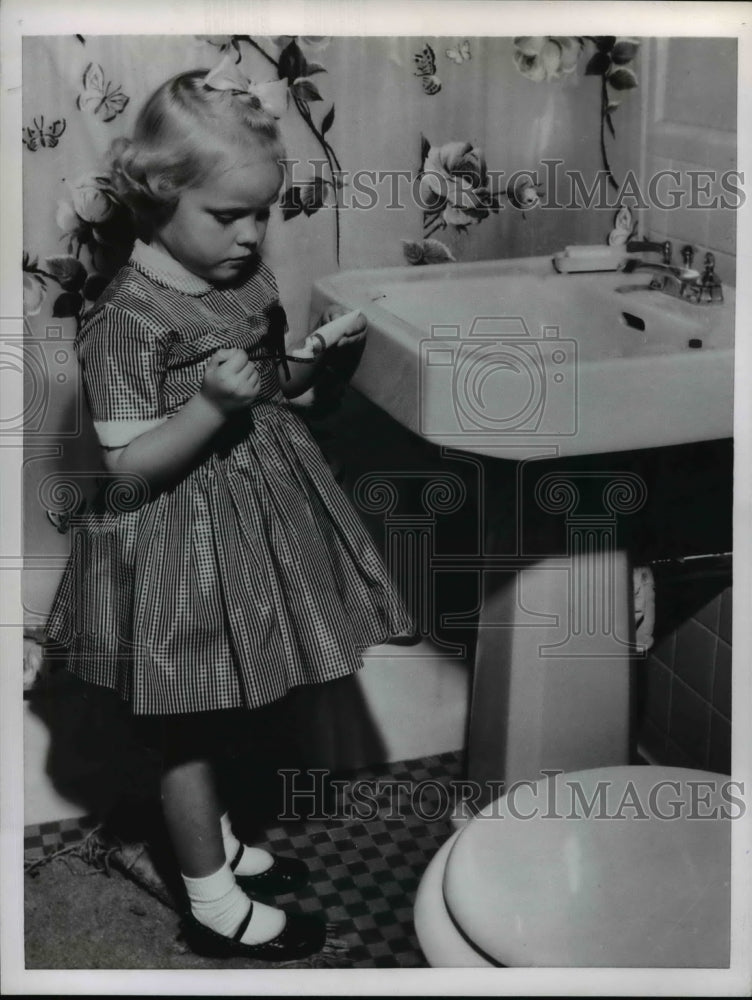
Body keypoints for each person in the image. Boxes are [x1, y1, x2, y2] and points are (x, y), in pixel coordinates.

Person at [45, 61, 413, 962]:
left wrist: (313, 360)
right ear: (157, 198)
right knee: (186, 727)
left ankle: (218, 849)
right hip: (170, 543)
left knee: (225, 709)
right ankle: (210, 905)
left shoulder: (242, 280)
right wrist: (209, 408)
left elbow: (273, 387)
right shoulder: (125, 317)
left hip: (247, 531)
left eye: (264, 213)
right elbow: (128, 468)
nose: (252, 236)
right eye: (228, 215)